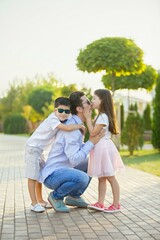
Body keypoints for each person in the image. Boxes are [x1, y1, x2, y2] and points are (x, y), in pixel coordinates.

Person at [39, 91, 104, 213]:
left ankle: (74, 196)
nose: (91, 104)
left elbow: (79, 151)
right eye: (87, 102)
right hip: (53, 175)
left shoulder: (78, 125)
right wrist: (91, 142)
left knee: (92, 162)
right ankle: (56, 196)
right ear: (79, 108)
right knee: (83, 178)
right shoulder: (72, 129)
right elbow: (74, 159)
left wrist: (93, 143)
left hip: (64, 169)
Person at [25, 97, 86, 213]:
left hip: (40, 150)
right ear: (55, 110)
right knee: (32, 176)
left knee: (39, 175)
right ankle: (34, 203)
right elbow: (67, 128)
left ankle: (40, 200)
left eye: (67, 111)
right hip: (32, 148)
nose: (63, 114)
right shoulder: (53, 119)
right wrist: (80, 126)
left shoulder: (63, 118)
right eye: (60, 110)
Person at [84, 89, 125, 213]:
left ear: (102, 101)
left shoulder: (102, 116)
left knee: (110, 177)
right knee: (102, 177)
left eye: (95, 98)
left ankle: (116, 204)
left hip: (104, 148)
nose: (92, 100)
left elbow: (92, 132)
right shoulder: (100, 115)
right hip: (101, 147)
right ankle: (100, 203)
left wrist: (87, 117)